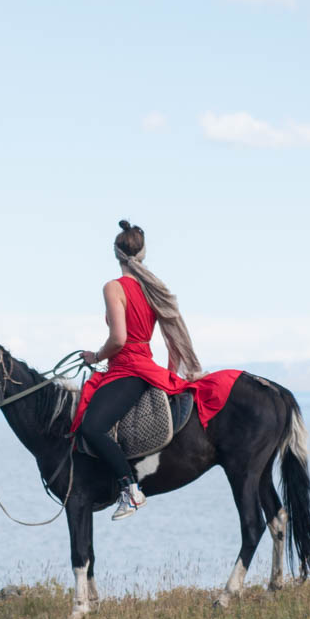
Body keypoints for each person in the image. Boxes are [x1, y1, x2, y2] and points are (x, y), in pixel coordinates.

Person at [73, 219, 204, 520]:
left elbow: (118, 339)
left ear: (116, 254)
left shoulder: (113, 287)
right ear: (142, 254)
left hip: (127, 369)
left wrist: (95, 356)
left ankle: (130, 491)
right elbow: (169, 338)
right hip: (146, 366)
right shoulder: (152, 289)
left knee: (91, 427)